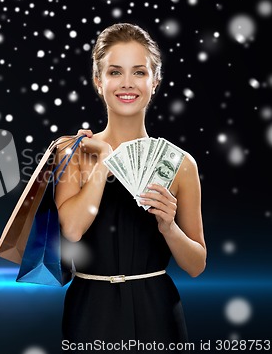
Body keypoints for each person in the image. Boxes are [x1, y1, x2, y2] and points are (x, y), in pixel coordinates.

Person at [54, 22, 206, 351]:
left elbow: (196, 265)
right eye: (114, 72)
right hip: (90, 310)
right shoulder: (72, 152)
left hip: (158, 312)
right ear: (98, 80)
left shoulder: (181, 164)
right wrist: (105, 159)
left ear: (156, 80)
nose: (127, 83)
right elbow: (73, 230)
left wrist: (168, 227)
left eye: (139, 72)